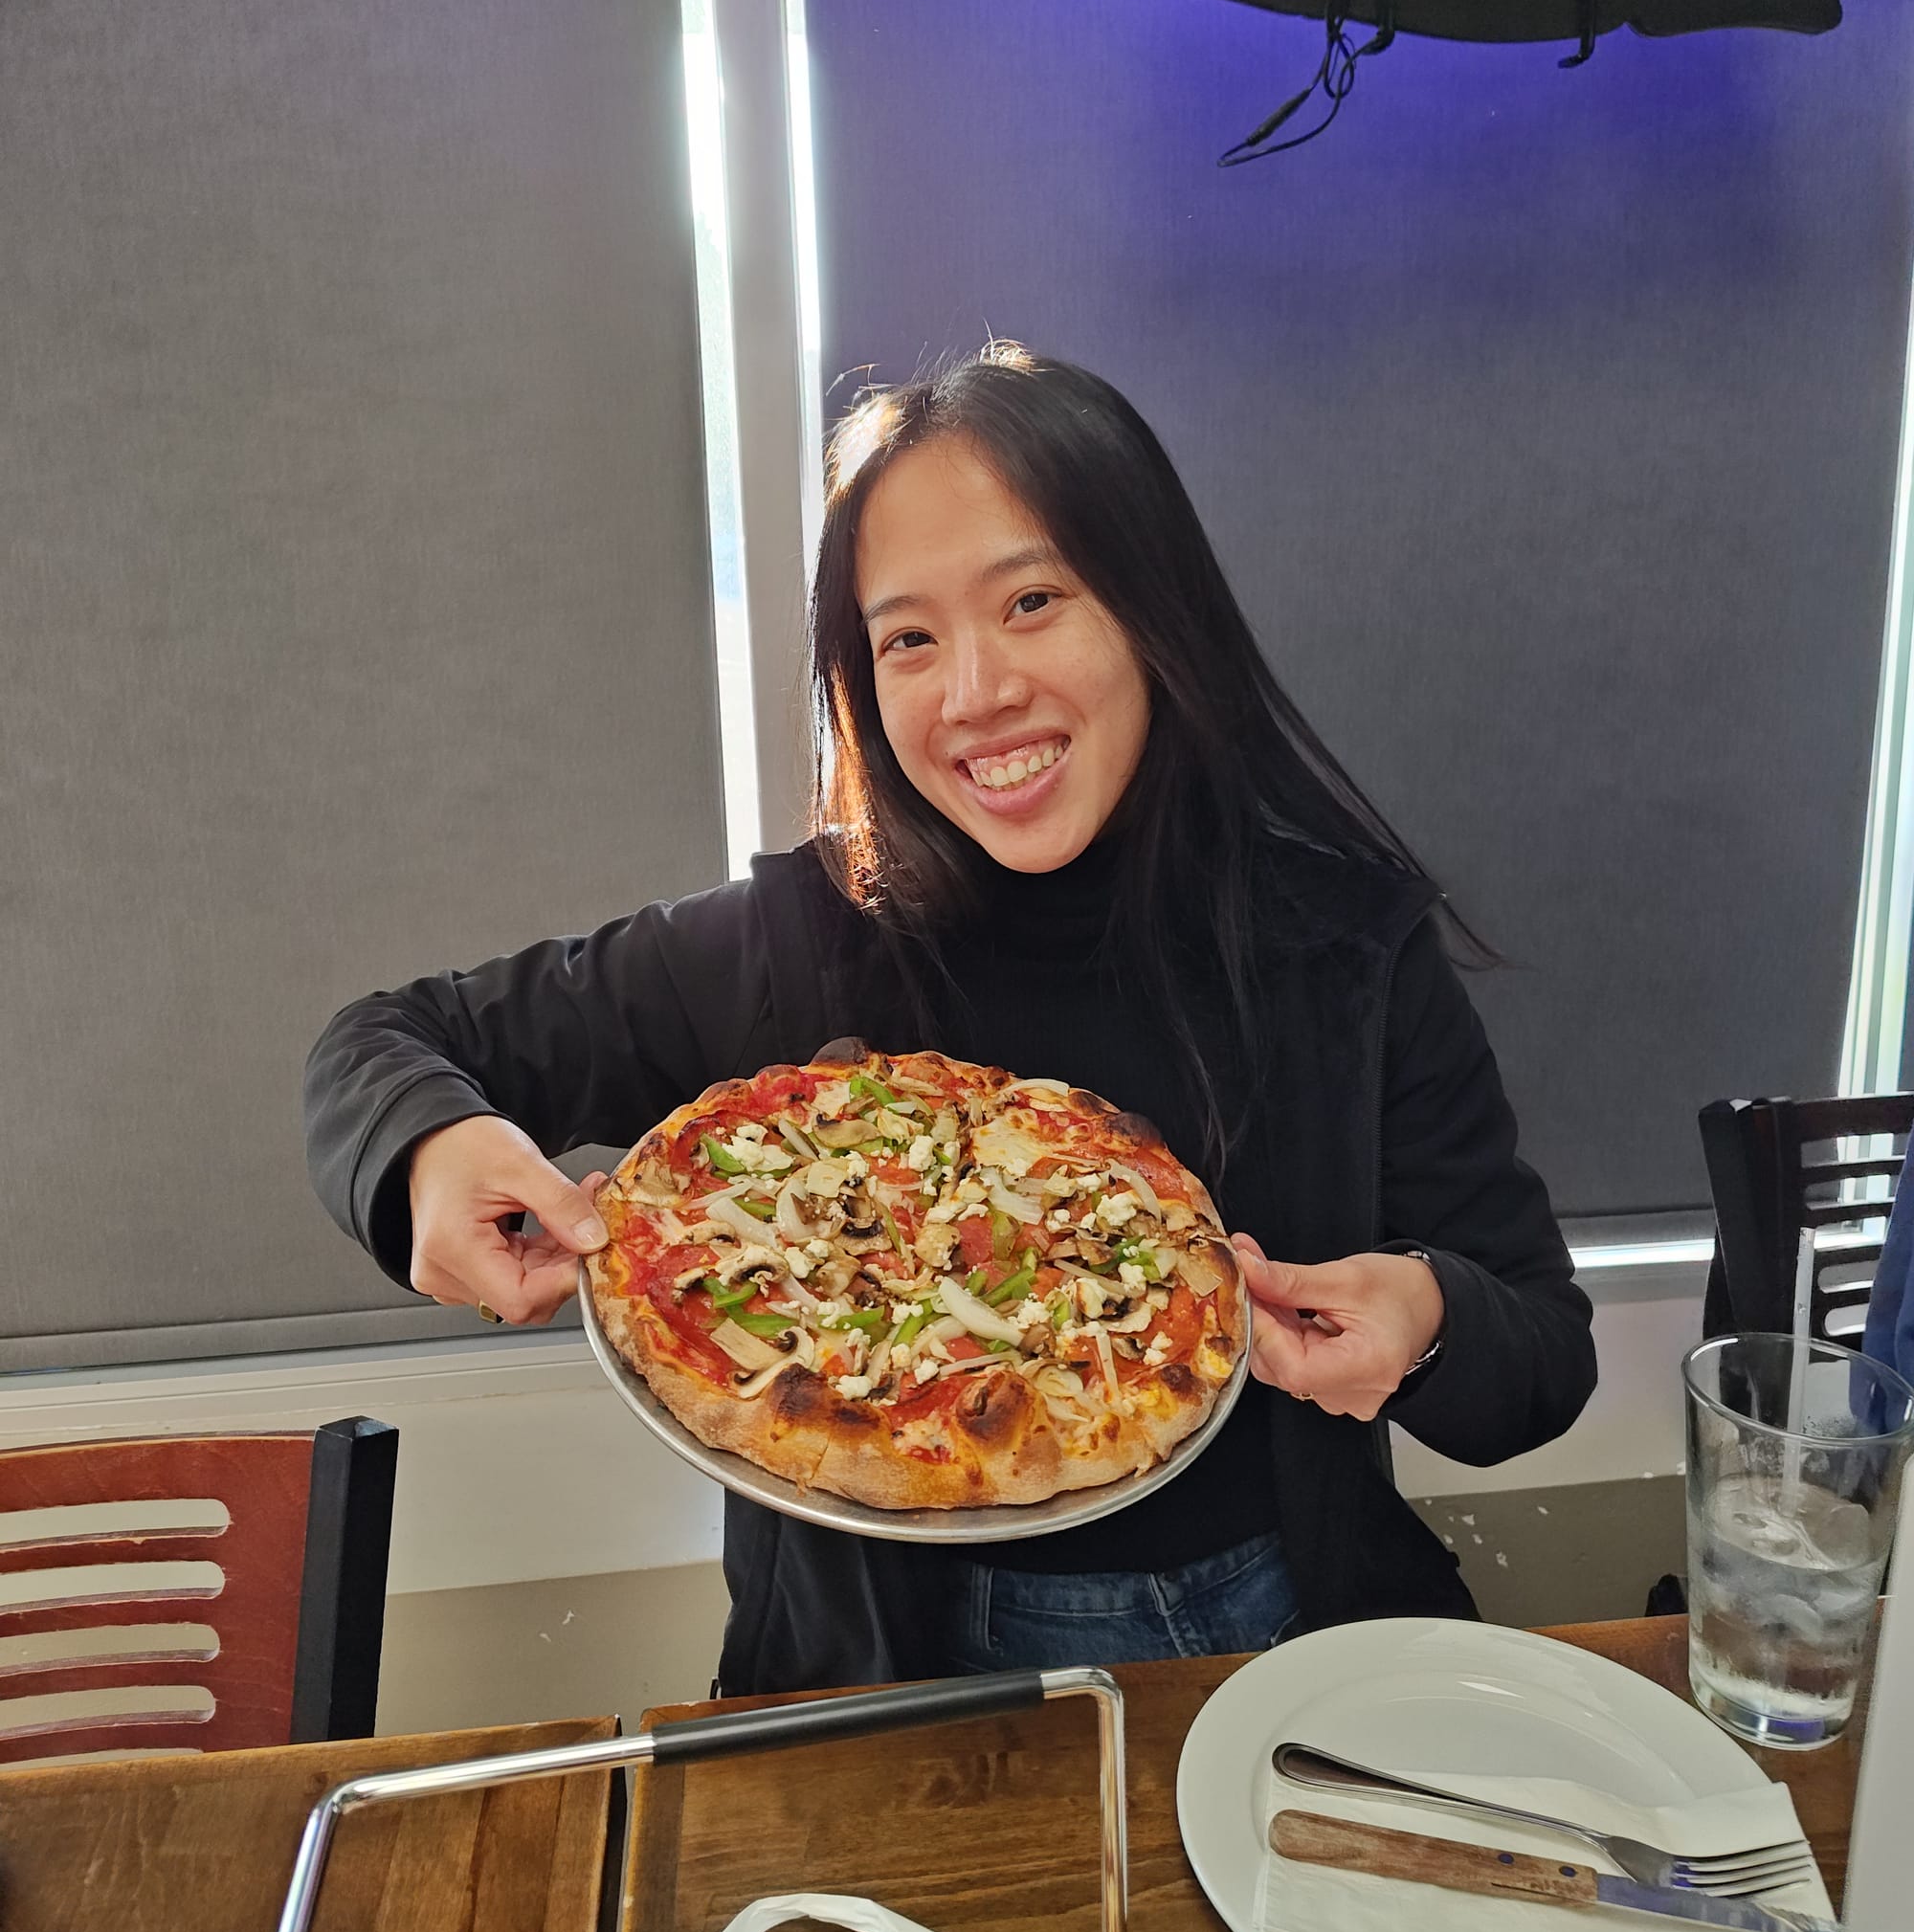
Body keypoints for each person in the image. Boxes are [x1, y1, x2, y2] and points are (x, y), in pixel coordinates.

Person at [304, 344, 1595, 1693]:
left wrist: (1431, 1318)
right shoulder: (791, 941)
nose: (974, 691)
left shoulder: (1347, 945)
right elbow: (385, 1039)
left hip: (1291, 1640)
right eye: (908, 638)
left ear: (1159, 610)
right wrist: (424, 1155)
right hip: (883, 1683)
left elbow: (1543, 1352)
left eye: (1032, 600)